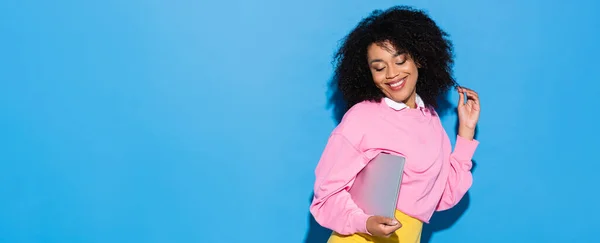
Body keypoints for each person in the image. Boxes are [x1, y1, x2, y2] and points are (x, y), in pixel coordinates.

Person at [309, 5, 480, 243]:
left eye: (400, 61)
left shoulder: (430, 119)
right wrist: (365, 223)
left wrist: (466, 132)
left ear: (418, 59)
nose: (391, 74)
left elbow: (443, 197)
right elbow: (324, 198)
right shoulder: (363, 117)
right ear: (368, 73)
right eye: (379, 67)